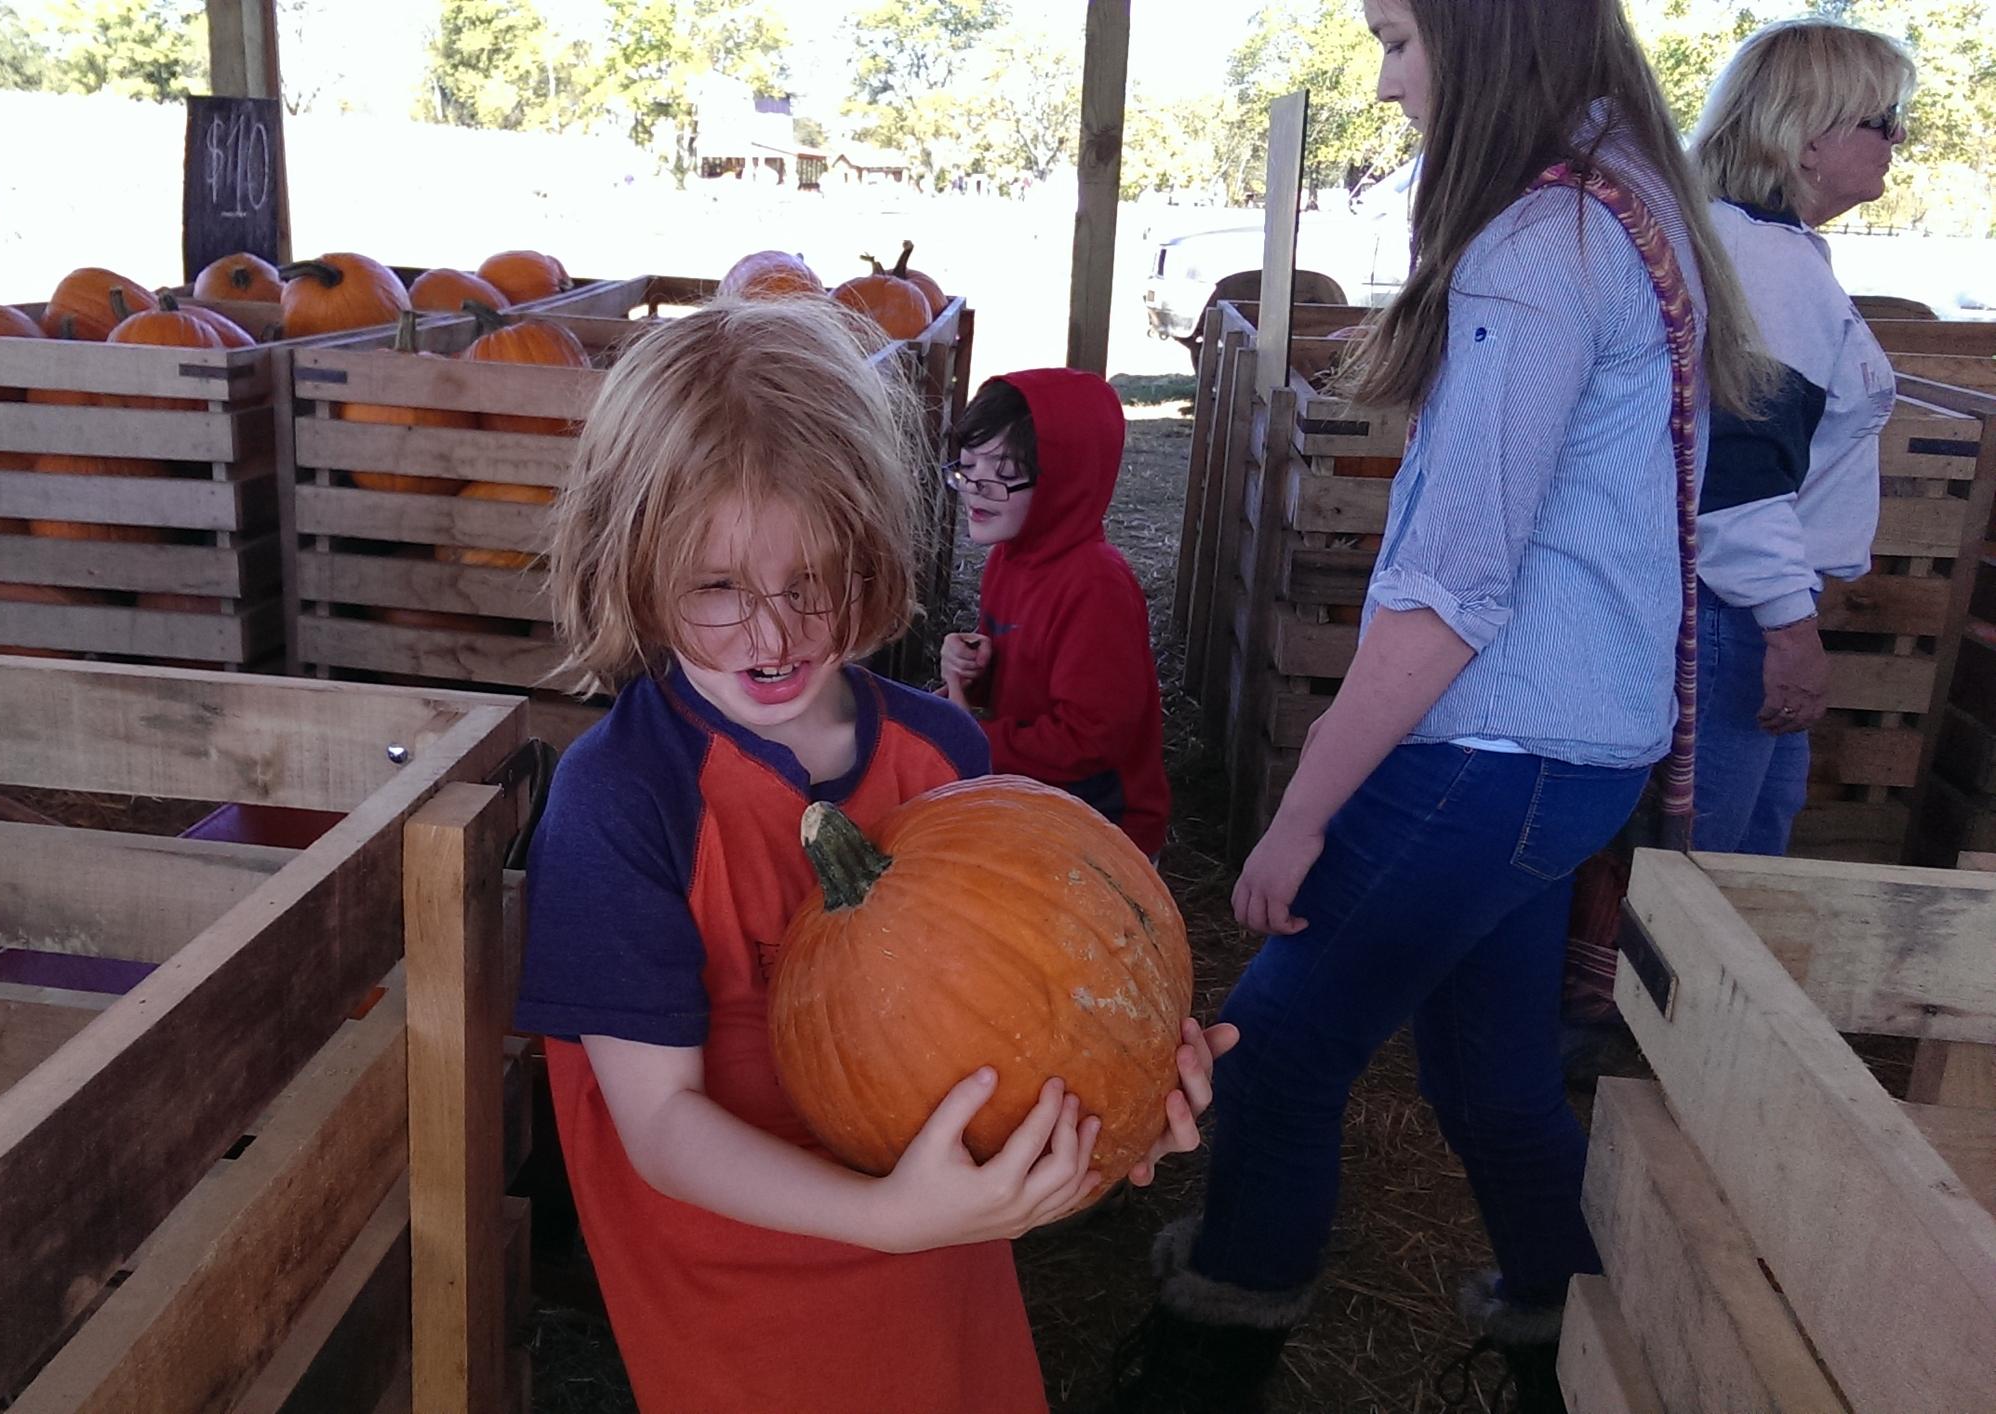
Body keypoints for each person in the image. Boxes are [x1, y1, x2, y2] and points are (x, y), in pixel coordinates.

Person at [1106, 2, 1771, 1411]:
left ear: (1491, 35)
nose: (1389, 78)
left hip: (1492, 747)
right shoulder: (1629, 200)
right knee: (1490, 1078)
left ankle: (1209, 1359)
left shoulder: (1539, 248)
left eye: (1404, 38)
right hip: (1574, 749)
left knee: (1280, 1048)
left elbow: (1452, 587)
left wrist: (1300, 812)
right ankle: (1569, 1347)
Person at [513, 296, 1236, 1414]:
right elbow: (658, 1123)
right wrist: (883, 1214)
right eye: (716, 588)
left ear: (872, 546)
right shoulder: (624, 800)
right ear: (631, 563)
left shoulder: (940, 751)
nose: (773, 633)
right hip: (740, 1301)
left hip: (938, 1266)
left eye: (814, 582)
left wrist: (1125, 1081)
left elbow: (1026, 989)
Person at [1685, 20, 1909, 855]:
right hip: (1738, 611)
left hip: (1741, 605)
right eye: (1883, 120)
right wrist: (1788, 628)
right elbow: (1737, 479)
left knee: (1738, 857)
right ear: (1812, 137)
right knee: (1705, 883)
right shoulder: (1768, 267)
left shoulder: (1763, 248)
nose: (1898, 140)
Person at [938, 370, 1172, 861]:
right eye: (968, 464)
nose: (978, 487)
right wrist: (976, 671)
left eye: (1003, 472)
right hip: (1037, 795)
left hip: (1100, 828)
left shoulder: (1096, 588)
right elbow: (1022, 673)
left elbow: (1091, 738)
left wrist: (971, 739)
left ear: (1062, 481)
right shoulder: (1010, 558)